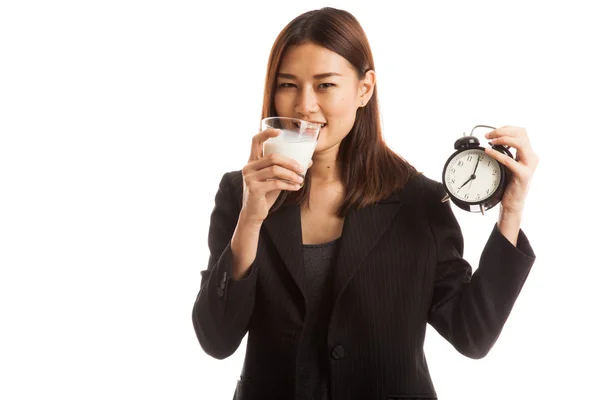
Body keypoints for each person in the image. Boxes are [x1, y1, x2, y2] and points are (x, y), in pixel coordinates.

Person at [192, 7, 538, 400]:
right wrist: (251, 219)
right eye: (288, 85)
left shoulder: (419, 201)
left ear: (364, 89)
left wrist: (511, 211)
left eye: (325, 85)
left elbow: (471, 335)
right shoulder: (241, 194)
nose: (304, 105)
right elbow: (216, 340)